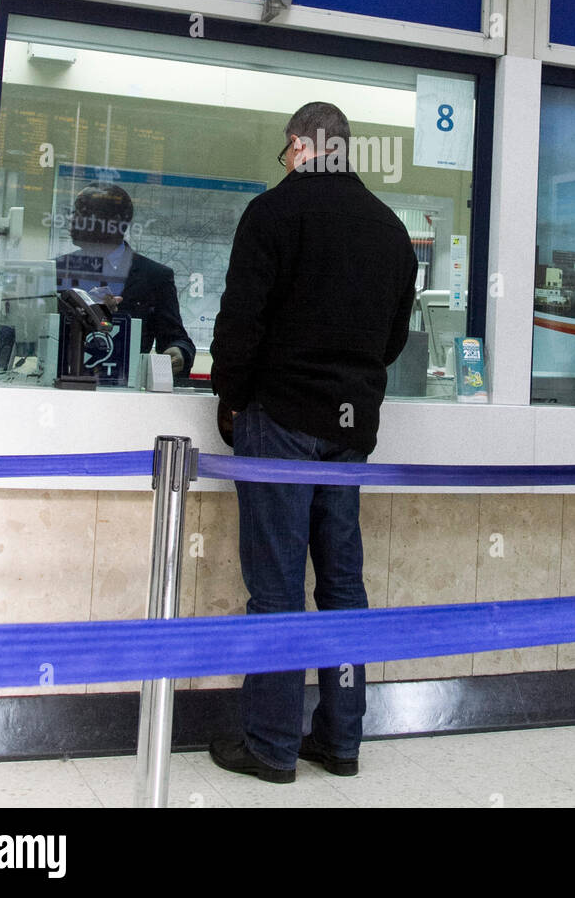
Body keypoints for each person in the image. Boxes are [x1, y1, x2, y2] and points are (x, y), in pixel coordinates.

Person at [208, 102, 418, 784]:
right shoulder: (390, 230)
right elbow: (390, 341)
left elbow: (239, 323)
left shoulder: (271, 214)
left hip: (282, 420)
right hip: (351, 430)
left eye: (286, 151)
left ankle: (269, 745)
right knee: (343, 583)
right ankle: (341, 740)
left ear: (300, 145)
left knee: (275, 589)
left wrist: (233, 397)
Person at [53, 183, 195, 379]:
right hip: (63, 385)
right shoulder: (56, 270)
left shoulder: (154, 277)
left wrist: (178, 353)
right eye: (74, 212)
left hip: (125, 390)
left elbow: (175, 337)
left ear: (115, 223)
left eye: (83, 213)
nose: (72, 220)